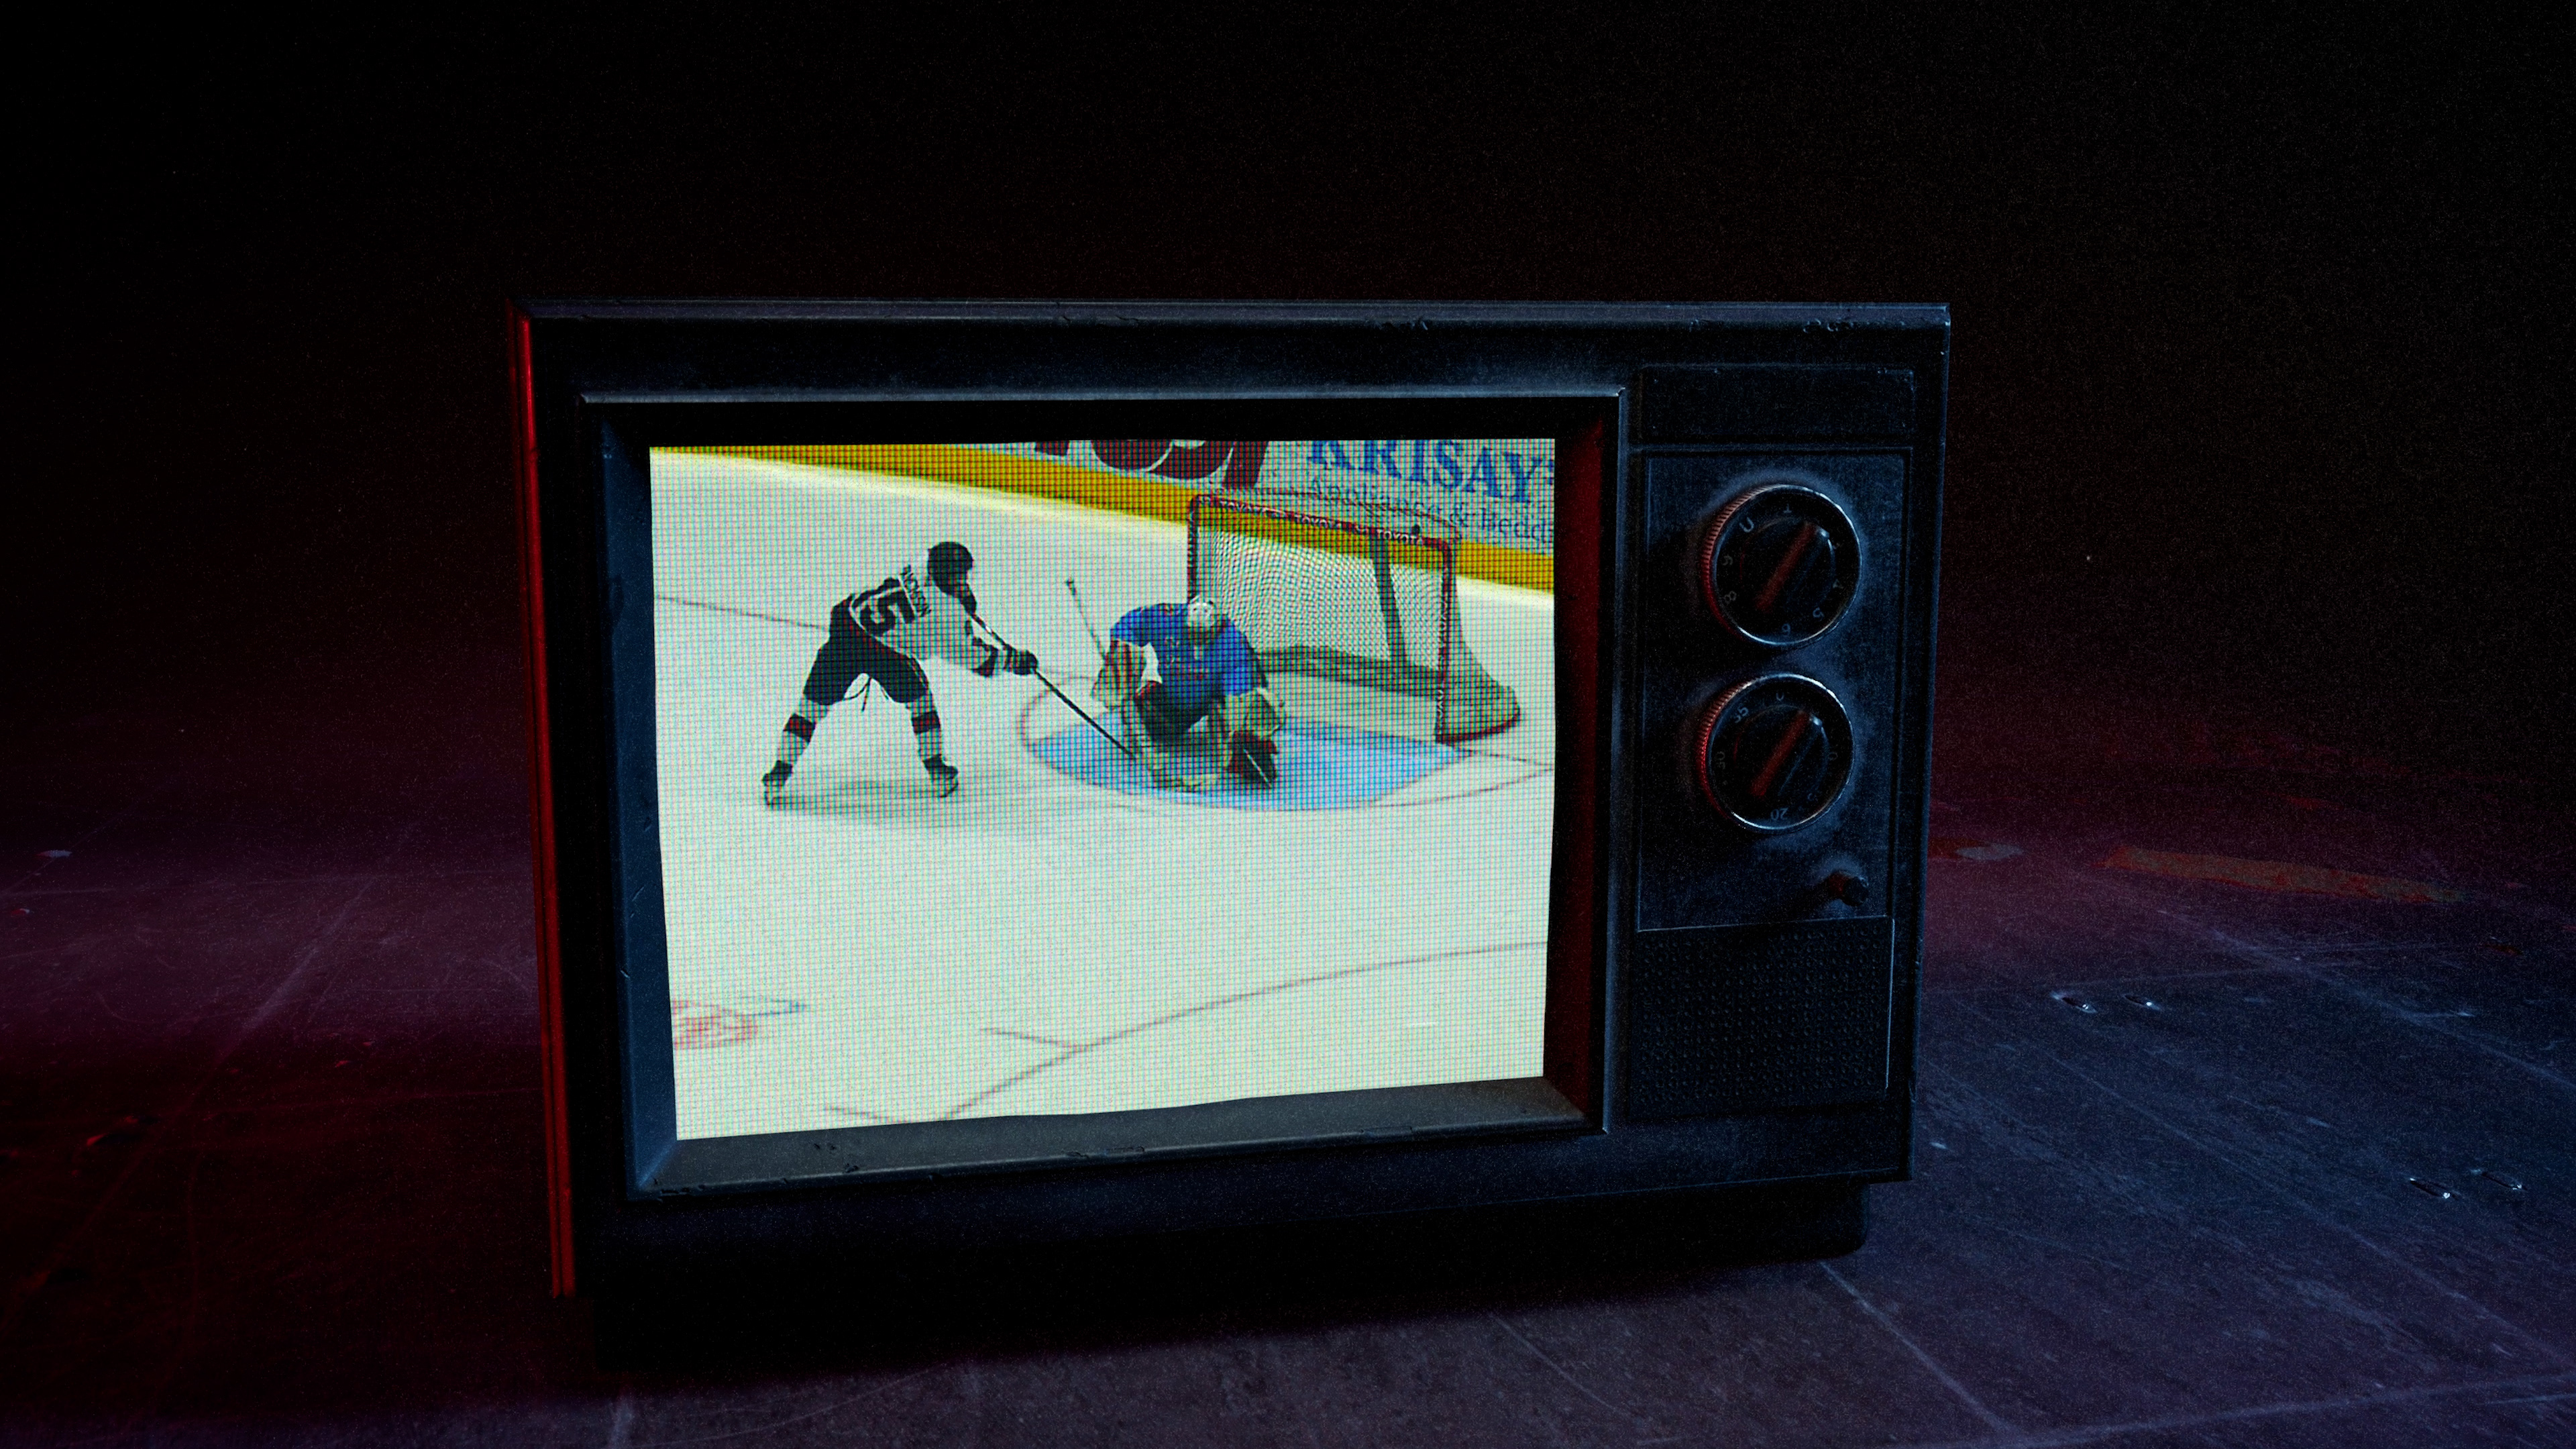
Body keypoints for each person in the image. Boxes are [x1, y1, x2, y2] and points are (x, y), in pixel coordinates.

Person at [762, 541, 1034, 804]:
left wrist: (962, 603)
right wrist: (1013, 661)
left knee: (810, 708)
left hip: (847, 632)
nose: (964, 581)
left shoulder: (919, 564)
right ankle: (937, 769)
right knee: (921, 703)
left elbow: (934, 601)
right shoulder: (947, 614)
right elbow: (975, 658)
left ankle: (778, 773)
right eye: (959, 576)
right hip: (886, 653)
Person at [1092, 596, 1281, 788]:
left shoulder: (1232, 642)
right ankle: (1152, 701)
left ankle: (1242, 744)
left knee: (1248, 711)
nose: (1198, 640)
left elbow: (1238, 692)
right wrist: (1125, 647)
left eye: (1204, 636)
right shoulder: (1165, 619)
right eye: (1193, 633)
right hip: (1174, 701)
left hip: (1213, 700)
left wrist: (1237, 727)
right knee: (1149, 726)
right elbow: (1129, 624)